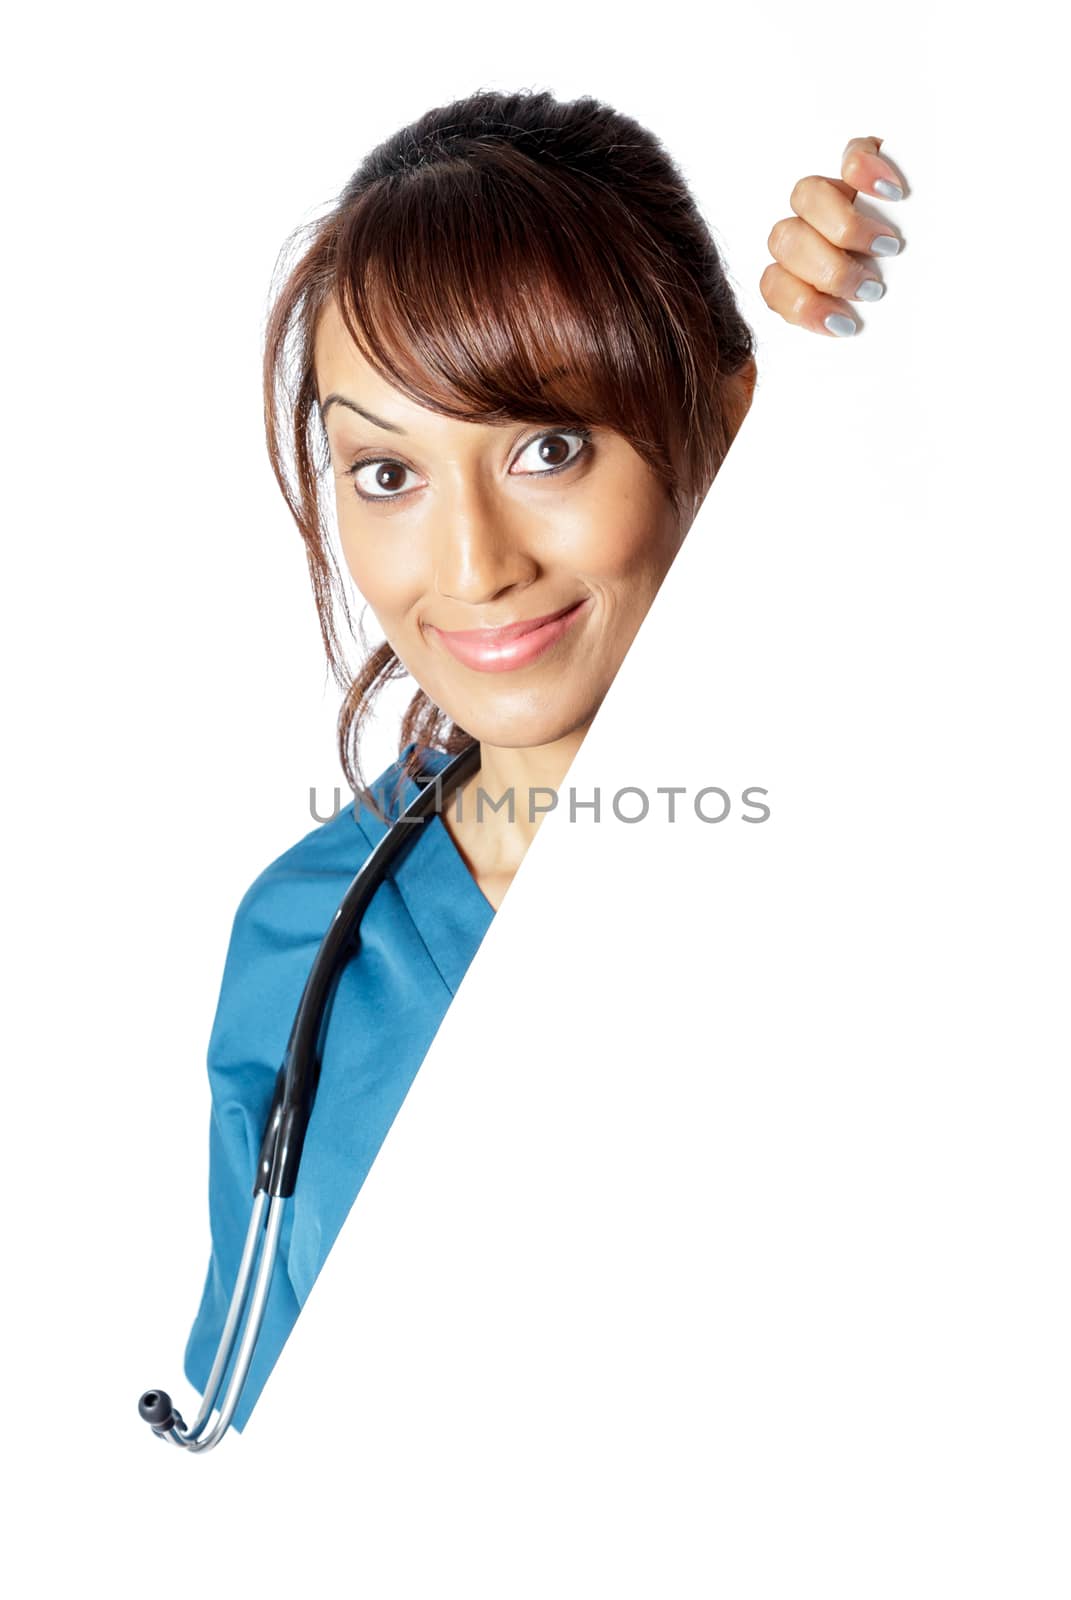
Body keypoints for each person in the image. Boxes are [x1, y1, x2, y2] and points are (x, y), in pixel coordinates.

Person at [183, 89, 907, 1431]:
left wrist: (919, 336)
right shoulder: (307, 949)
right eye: (386, 473)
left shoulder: (910, 831)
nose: (471, 568)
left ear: (729, 423)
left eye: (547, 447)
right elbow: (250, 1447)